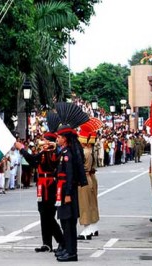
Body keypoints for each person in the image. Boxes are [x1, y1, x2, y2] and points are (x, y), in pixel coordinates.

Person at [15, 130, 65, 254]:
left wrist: (22, 149)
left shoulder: (52, 152)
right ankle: (47, 243)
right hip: (42, 186)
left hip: (50, 186)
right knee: (44, 215)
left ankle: (62, 241)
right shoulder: (46, 152)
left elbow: (32, 160)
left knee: (48, 215)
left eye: (45, 140)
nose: (43, 142)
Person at [54, 102, 89, 262]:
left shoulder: (68, 154)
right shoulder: (64, 152)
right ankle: (68, 250)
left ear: (66, 139)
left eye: (60, 137)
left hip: (67, 193)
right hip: (63, 192)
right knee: (64, 222)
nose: (58, 139)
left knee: (68, 224)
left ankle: (72, 252)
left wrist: (67, 194)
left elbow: (69, 176)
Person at [77, 130, 100, 240]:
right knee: (92, 204)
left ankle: (87, 230)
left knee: (84, 204)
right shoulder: (91, 151)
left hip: (84, 178)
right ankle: (94, 226)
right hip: (90, 177)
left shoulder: (85, 152)